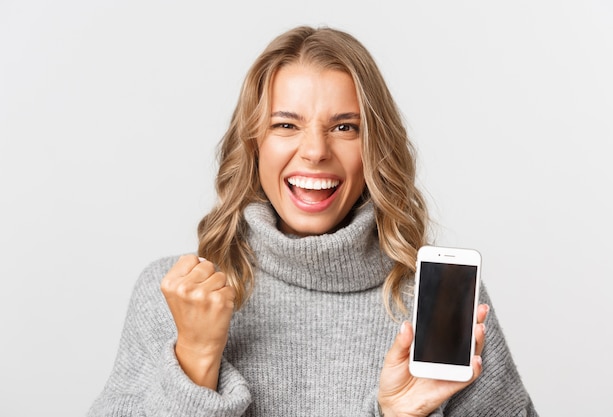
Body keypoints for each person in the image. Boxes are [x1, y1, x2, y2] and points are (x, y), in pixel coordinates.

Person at [88, 25, 537, 416]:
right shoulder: (177, 296)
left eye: (345, 127)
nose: (316, 150)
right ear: (254, 143)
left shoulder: (439, 301)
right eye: (286, 125)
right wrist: (195, 358)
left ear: (376, 149)